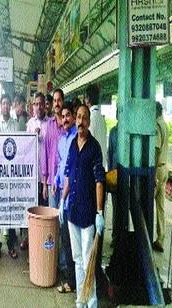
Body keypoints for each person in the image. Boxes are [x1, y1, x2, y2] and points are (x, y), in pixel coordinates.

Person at [60, 104, 105, 308]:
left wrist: (100, 212)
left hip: (88, 213)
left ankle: (92, 302)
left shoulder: (94, 147)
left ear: (88, 122)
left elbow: (99, 181)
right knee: (78, 259)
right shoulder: (72, 145)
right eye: (78, 117)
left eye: (84, 118)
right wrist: (63, 200)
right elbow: (68, 174)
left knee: (88, 261)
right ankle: (80, 300)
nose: (80, 121)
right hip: (73, 211)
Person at [53, 102, 77, 292]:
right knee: (66, 237)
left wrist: (64, 197)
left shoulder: (78, 138)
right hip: (62, 191)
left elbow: (72, 170)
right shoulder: (62, 140)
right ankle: (71, 277)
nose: (66, 119)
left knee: (73, 238)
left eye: (69, 115)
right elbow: (61, 164)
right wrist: (54, 179)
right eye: (63, 116)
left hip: (73, 194)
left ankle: (73, 280)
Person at [20, 92, 48, 251]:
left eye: (40, 104)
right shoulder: (30, 124)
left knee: (43, 211)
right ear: (33, 107)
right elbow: (24, 148)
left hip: (44, 177)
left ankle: (42, 244)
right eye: (36, 104)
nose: (38, 107)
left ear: (45, 105)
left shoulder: (49, 123)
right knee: (31, 210)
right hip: (31, 177)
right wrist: (32, 136)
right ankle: (29, 240)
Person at [0, 94, 19, 260]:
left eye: (7, 103)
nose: (5, 106)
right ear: (0, 105)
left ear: (10, 106)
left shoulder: (16, 125)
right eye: (2, 103)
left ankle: (10, 246)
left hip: (12, 176)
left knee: (10, 211)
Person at [42, 88, 64, 208]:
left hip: (66, 182)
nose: (56, 103)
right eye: (54, 101)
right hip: (51, 181)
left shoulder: (69, 125)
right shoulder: (49, 125)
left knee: (65, 221)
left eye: (59, 100)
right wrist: (44, 184)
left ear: (63, 102)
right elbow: (45, 154)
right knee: (53, 220)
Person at [153, 101, 169, 253]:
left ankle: (145, 238)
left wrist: (153, 173)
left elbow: (156, 150)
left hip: (157, 169)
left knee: (145, 203)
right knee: (161, 206)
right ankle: (161, 238)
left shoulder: (157, 126)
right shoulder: (166, 125)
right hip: (165, 168)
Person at [84, 84, 107, 167]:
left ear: (88, 99)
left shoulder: (90, 118)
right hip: (102, 166)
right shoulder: (102, 118)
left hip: (93, 170)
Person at [107, 114, 118, 247]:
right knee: (116, 207)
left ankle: (122, 235)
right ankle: (116, 236)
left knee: (124, 207)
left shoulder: (128, 132)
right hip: (114, 175)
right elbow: (110, 154)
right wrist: (109, 173)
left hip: (127, 176)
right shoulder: (113, 132)